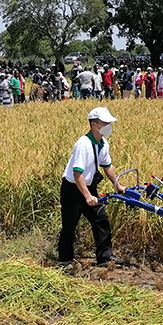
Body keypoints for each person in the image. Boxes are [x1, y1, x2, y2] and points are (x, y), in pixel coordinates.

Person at [57, 107, 127, 269]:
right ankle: (65, 259)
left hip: (89, 188)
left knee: (101, 220)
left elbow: (107, 167)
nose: (109, 125)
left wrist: (118, 185)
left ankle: (104, 257)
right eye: (105, 122)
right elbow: (77, 174)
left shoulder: (103, 143)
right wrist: (87, 196)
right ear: (94, 125)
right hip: (73, 190)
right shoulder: (83, 144)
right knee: (69, 224)